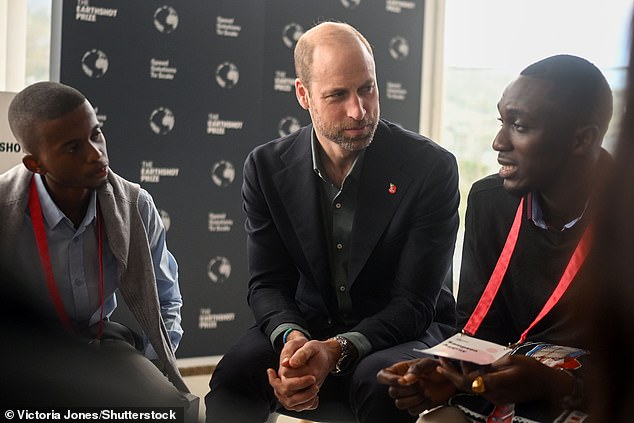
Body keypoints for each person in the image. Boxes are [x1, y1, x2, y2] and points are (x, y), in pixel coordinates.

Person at [205, 21, 460, 423]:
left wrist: (337, 349)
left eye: (367, 88)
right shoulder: (266, 167)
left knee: (380, 383)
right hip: (308, 322)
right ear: (303, 95)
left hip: (404, 330)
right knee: (235, 377)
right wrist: (293, 338)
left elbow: (414, 304)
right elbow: (267, 283)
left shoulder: (431, 168)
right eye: (338, 95)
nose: (359, 110)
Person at [377, 54, 613, 422]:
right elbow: (479, 330)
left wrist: (559, 385)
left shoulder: (623, 216)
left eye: (519, 126)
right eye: (501, 121)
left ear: (582, 139)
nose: (498, 142)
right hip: (511, 394)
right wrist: (451, 377)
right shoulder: (491, 202)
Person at [0, 81, 190, 397]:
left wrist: (152, 366)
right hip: (23, 351)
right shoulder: (5, 209)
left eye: (96, 134)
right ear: (36, 164)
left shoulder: (135, 205)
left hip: (103, 342)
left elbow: (166, 300)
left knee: (165, 404)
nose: (96, 154)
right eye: (73, 147)